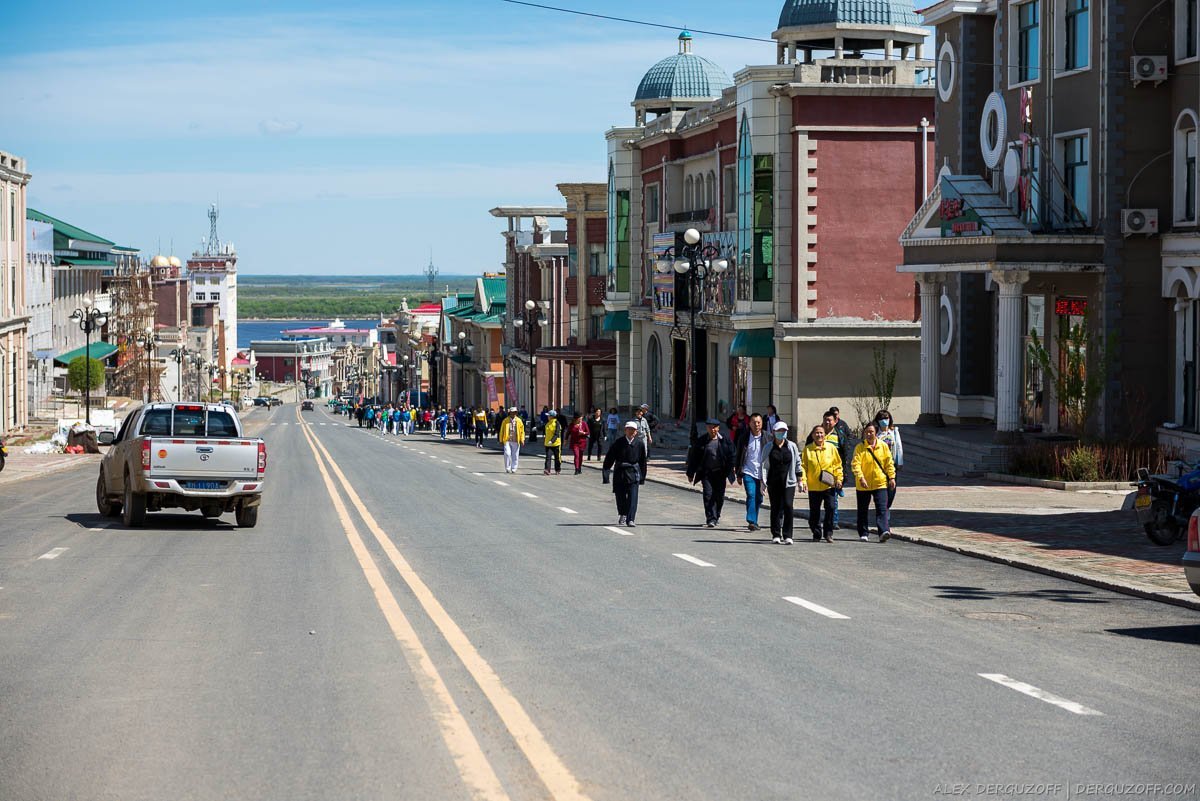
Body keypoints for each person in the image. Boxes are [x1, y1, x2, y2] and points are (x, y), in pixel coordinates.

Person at [686, 418, 737, 528]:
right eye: (709, 427)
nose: (712, 429)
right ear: (706, 428)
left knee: (719, 496)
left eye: (714, 427)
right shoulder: (702, 441)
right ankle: (710, 518)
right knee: (708, 495)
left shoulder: (725, 440)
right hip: (706, 473)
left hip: (720, 472)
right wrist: (690, 473)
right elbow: (694, 458)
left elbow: (732, 454)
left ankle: (716, 515)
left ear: (718, 428)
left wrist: (732, 467)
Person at [851, 422, 896, 542]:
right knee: (862, 509)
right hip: (863, 485)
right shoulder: (860, 447)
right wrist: (861, 477)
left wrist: (891, 477)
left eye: (871, 432)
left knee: (882, 508)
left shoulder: (883, 446)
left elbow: (889, 463)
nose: (869, 434)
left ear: (876, 433)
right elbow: (856, 464)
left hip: (880, 483)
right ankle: (863, 532)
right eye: (867, 432)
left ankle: (883, 531)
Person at [760, 421, 802, 544]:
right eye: (779, 431)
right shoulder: (768, 447)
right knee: (776, 507)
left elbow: (798, 462)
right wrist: (763, 482)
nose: (781, 433)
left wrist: (800, 480)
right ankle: (776, 534)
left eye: (783, 431)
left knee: (788, 506)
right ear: (773, 432)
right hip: (774, 481)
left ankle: (788, 535)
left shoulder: (792, 446)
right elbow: (763, 465)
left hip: (789, 481)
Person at [800, 424, 843, 543]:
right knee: (814, 512)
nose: (819, 435)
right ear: (813, 435)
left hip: (829, 485)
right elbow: (803, 467)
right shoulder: (807, 449)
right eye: (817, 433)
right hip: (813, 486)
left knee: (831, 507)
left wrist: (839, 479)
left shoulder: (831, 448)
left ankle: (828, 533)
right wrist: (803, 481)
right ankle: (816, 532)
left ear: (825, 435)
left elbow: (837, 465)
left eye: (821, 433)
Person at [603, 421, 647, 527]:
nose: (631, 431)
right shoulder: (618, 443)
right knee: (620, 496)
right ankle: (623, 514)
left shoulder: (639, 444)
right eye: (629, 429)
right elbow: (609, 458)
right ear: (625, 430)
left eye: (633, 430)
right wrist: (606, 474)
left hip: (634, 473)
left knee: (633, 497)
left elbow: (643, 462)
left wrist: (642, 476)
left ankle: (631, 519)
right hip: (620, 473)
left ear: (636, 432)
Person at [734, 413, 771, 531]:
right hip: (748, 471)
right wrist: (738, 474)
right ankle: (751, 520)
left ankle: (754, 520)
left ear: (762, 423)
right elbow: (739, 455)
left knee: (759, 498)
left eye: (758, 422)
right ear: (749, 424)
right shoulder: (744, 438)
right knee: (751, 494)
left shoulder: (768, 437)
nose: (756, 425)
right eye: (754, 422)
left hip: (762, 474)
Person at [823, 410, 849, 529]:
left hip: (834, 471)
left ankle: (834, 521)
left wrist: (843, 471)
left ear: (835, 422)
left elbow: (844, 454)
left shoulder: (839, 435)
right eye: (825, 420)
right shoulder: (818, 433)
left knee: (833, 499)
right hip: (819, 471)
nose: (827, 423)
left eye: (830, 420)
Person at [874, 409, 903, 510]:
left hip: (891, 464)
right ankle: (883, 509)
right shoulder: (876, 433)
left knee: (892, 489)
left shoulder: (894, 432)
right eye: (881, 418)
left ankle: (886, 507)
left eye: (886, 418)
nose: (884, 420)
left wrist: (900, 462)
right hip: (879, 465)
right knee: (881, 489)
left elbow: (899, 446)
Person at [499, 407, 525, 473]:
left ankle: (514, 468)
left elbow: (522, 431)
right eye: (512, 412)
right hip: (507, 440)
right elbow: (502, 430)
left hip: (516, 440)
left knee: (515, 455)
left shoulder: (519, 421)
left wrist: (522, 439)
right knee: (507, 453)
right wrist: (501, 439)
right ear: (509, 412)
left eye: (515, 412)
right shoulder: (505, 421)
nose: (513, 413)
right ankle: (508, 468)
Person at [542, 410, 563, 475]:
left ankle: (558, 469)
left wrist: (552, 440)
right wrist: (536, 428)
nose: (547, 417)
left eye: (548, 415)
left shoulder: (557, 423)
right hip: (548, 444)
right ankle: (547, 470)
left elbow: (557, 434)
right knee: (548, 457)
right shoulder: (548, 423)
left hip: (556, 444)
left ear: (552, 416)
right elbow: (543, 428)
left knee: (557, 458)